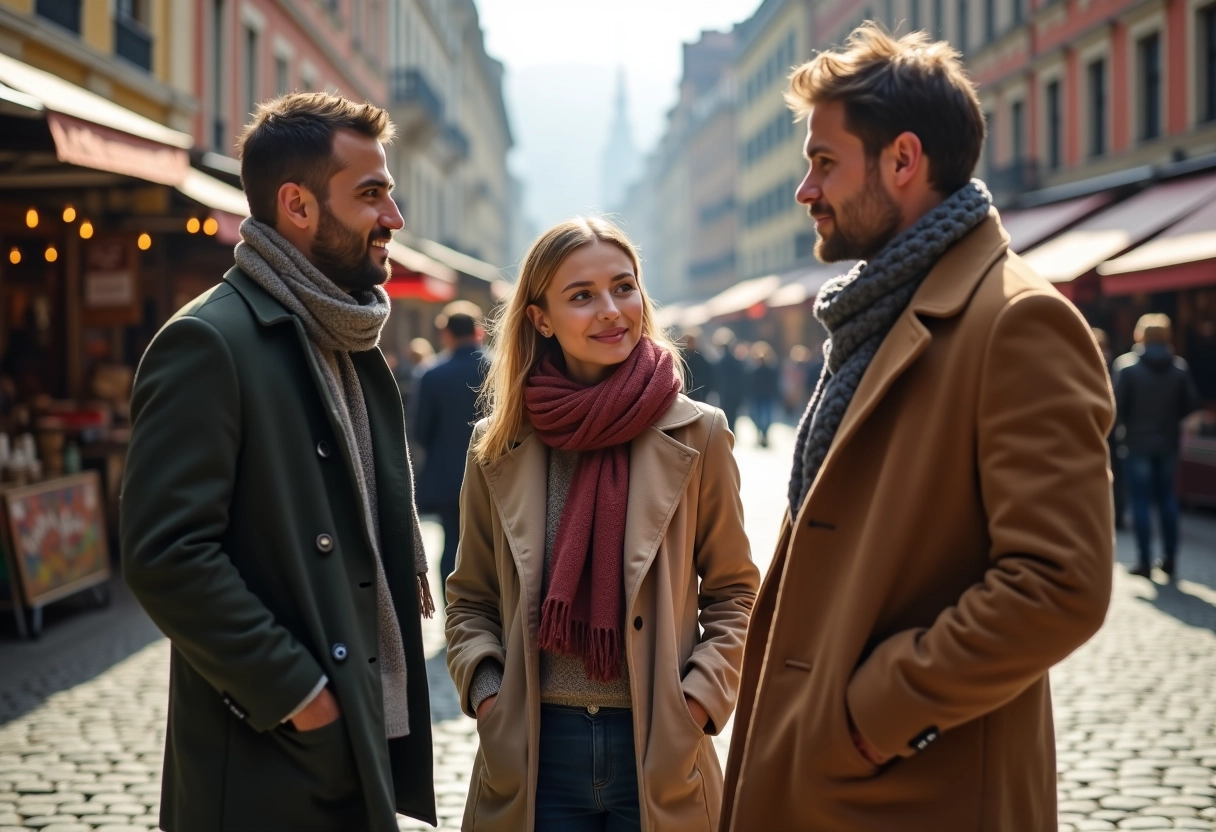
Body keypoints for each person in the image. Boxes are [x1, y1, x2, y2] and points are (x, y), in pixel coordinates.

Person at [721, 26, 1114, 832]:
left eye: (824, 162)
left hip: (912, 791)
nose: (805, 190)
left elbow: (1058, 587)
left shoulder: (1017, 321)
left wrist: (870, 718)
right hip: (837, 781)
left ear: (903, 161)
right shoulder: (879, 308)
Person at [121, 92, 437, 832]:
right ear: (296, 205)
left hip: (355, 736)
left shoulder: (344, 336)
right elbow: (166, 554)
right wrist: (299, 697)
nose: (393, 218)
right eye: (371, 194)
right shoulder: (208, 341)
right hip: (271, 757)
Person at [445, 217, 760, 832]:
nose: (612, 310)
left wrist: (694, 704)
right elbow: (470, 597)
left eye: (624, 286)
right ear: (540, 318)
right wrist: (488, 696)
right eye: (582, 295)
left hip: (660, 745)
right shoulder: (499, 444)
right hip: (536, 751)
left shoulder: (700, 434)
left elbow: (736, 593)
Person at [1113, 313, 1201, 579]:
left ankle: (1144, 560)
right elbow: (1191, 408)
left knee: (1140, 502)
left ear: (1140, 335)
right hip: (1168, 444)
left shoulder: (1127, 367)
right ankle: (1171, 558)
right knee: (1167, 500)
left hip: (1137, 443)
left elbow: (1116, 407)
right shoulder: (1179, 368)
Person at [412, 300, 486, 598]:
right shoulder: (500, 368)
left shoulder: (432, 373)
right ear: (478, 331)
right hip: (495, 470)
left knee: (452, 544)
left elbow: (419, 431)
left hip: (447, 476)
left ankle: (455, 615)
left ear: (447, 334)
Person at [1092, 328, 1127, 528]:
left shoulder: (1084, 362)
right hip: (1112, 427)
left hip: (1097, 425)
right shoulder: (1116, 363)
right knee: (1114, 472)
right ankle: (1116, 514)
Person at [746, 341, 780, 447]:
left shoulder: (767, 369)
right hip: (760, 396)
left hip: (764, 396)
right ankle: (762, 435)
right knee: (761, 416)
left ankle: (763, 435)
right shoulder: (754, 369)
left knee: (763, 416)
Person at [712, 327, 746, 431]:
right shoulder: (736, 361)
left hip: (725, 392)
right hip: (734, 392)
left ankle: (727, 431)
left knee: (726, 413)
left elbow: (717, 378)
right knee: (733, 414)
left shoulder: (720, 361)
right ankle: (732, 431)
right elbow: (741, 378)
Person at [681, 326, 716, 402]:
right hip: (685, 396)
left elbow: (709, 377)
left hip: (699, 396)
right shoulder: (681, 357)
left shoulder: (701, 357)